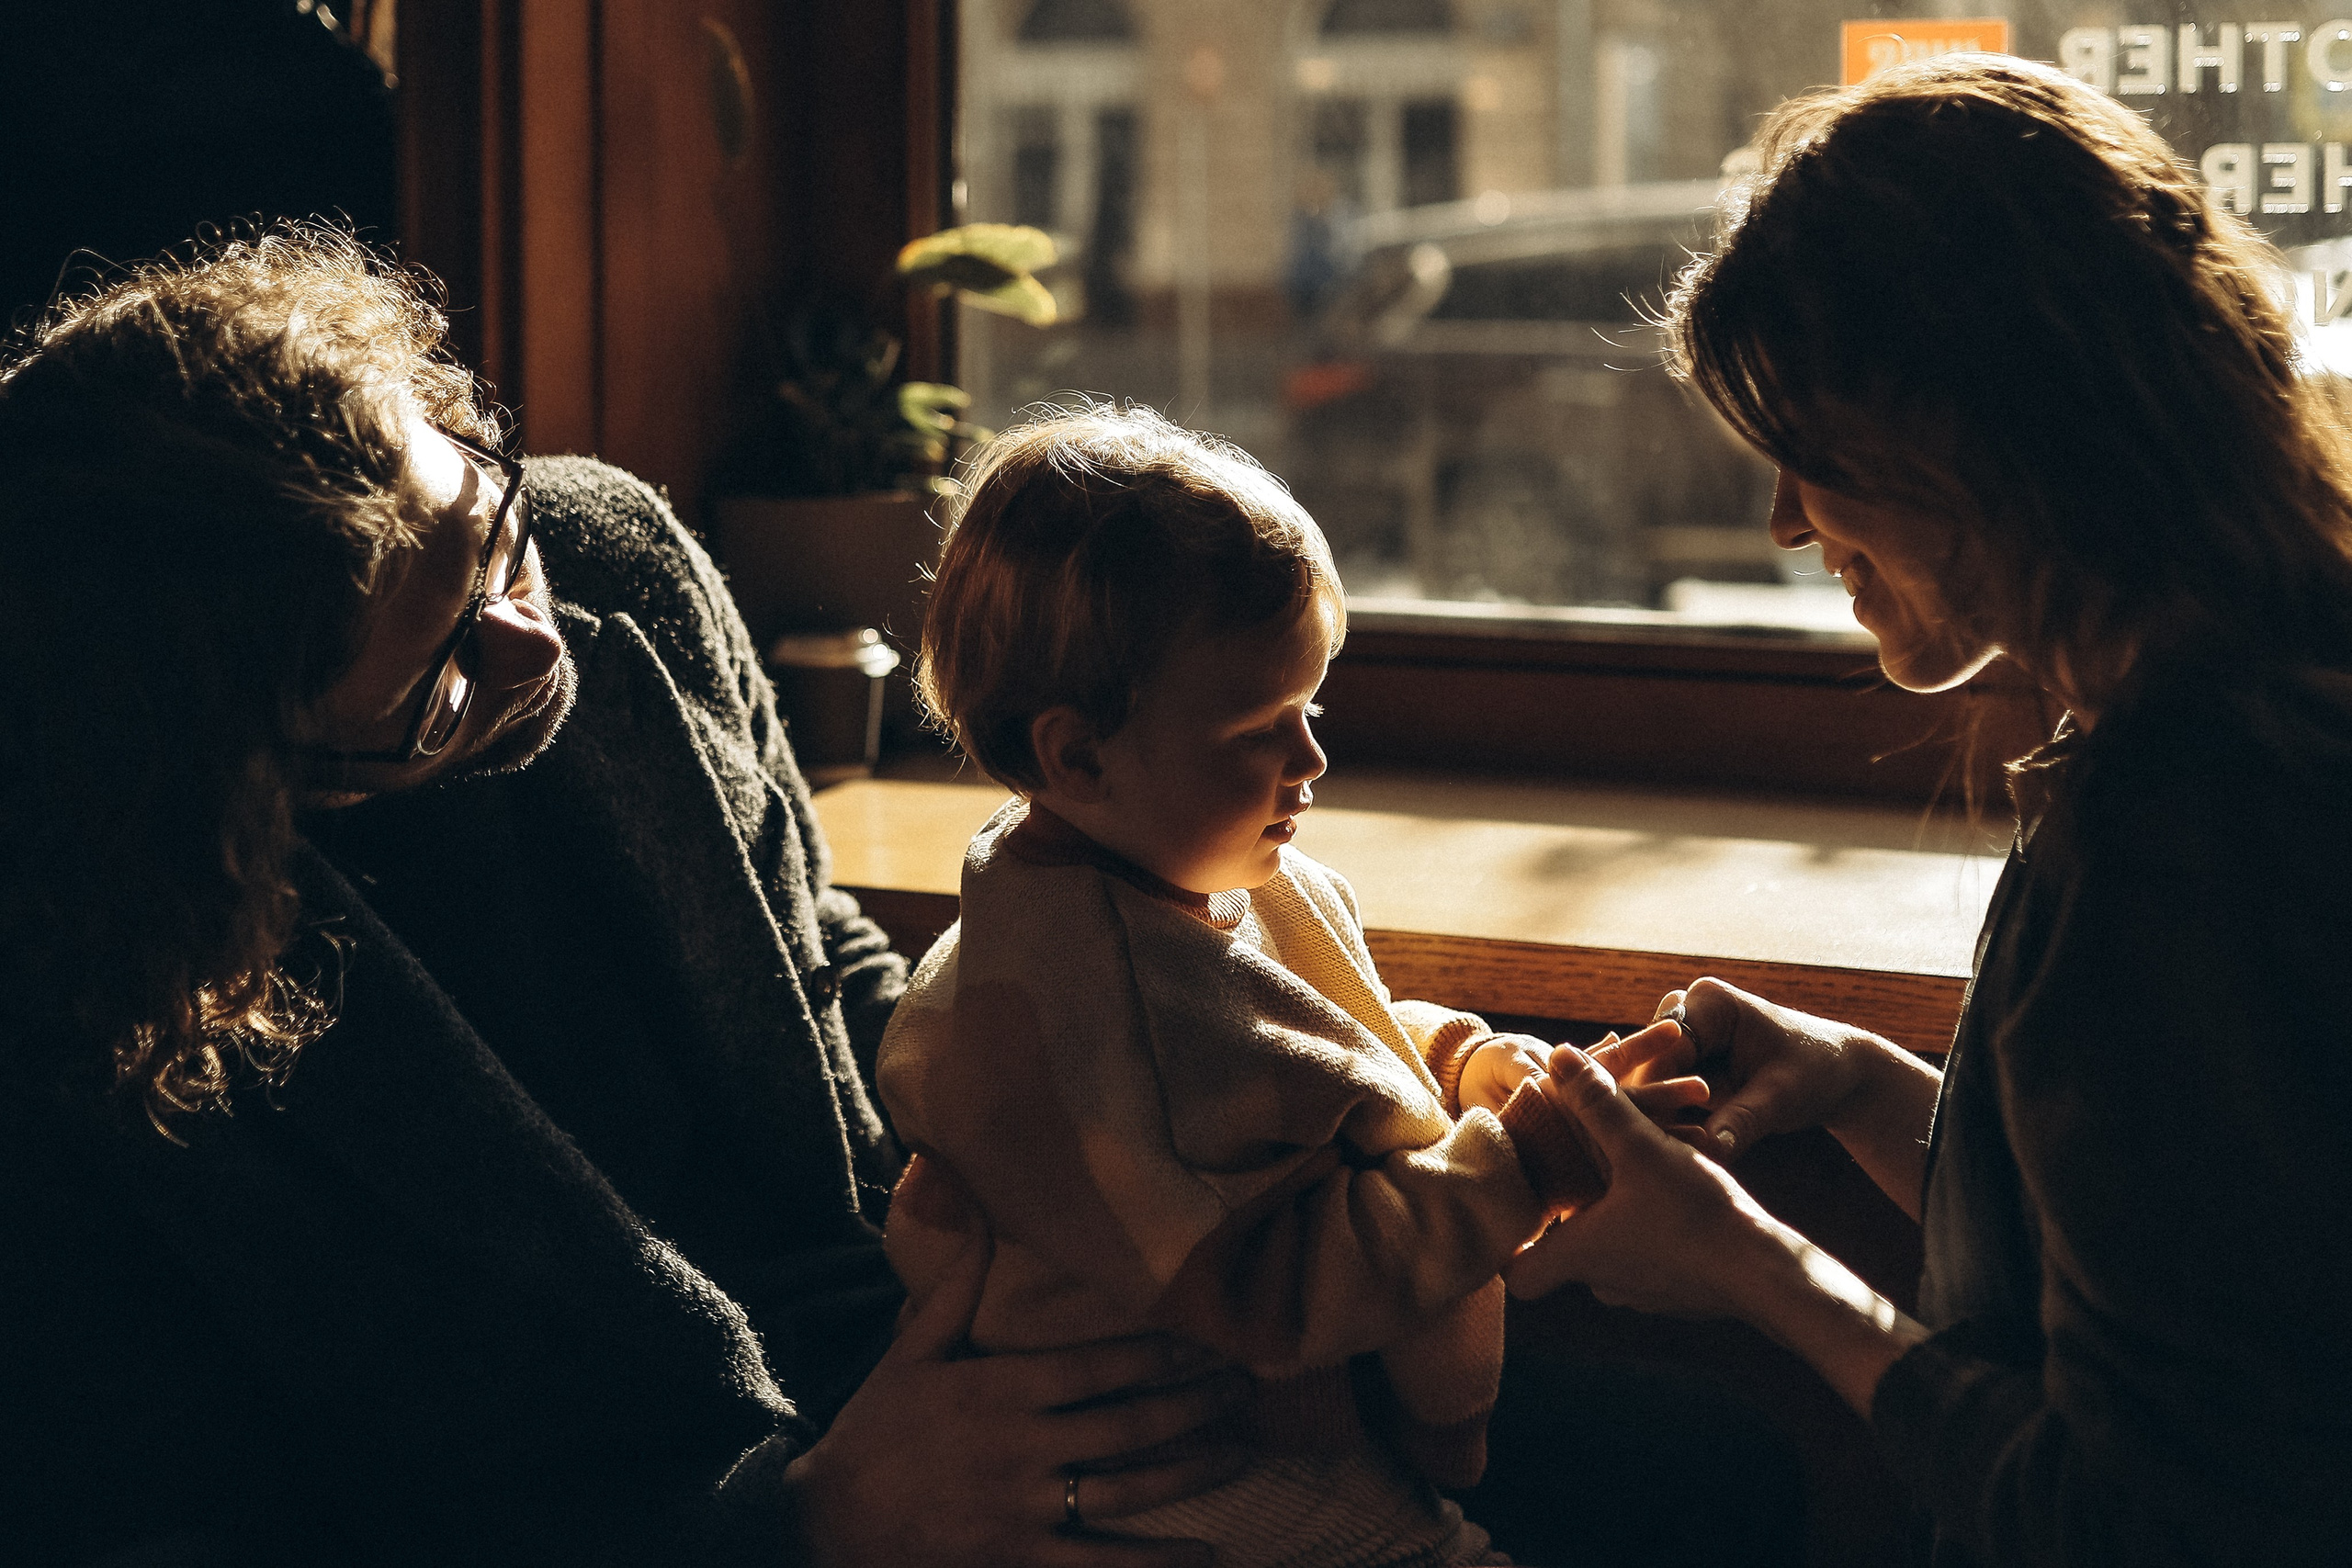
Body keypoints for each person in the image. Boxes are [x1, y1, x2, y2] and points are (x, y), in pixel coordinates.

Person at [0, 226, 1251, 1566]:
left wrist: (1132, 1129)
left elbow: (811, 946)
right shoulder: (91, 993)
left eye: (488, 538)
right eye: (435, 688)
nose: (532, 642)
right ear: (238, 783)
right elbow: (204, 1519)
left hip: (951, 1348)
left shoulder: (610, 554)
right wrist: (806, 1520)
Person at [1505, 55, 2352, 1567]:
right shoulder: (2232, 706)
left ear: (1989, 434)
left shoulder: (2175, 841)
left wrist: (1748, 1265)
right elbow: (2173, 1263)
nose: (1785, 520)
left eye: (1811, 454)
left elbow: (2144, 1523)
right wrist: (1870, 1090)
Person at [884, 407, 1686, 1568]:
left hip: (1284, 1413)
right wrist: (1524, 1163)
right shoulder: (1076, 1020)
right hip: (1187, 1459)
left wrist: (1453, 1061)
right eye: (1260, 728)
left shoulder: (1172, 862)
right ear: (1078, 756)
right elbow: (1278, 1291)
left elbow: (1291, 1044)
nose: (1311, 760)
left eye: (1312, 707)